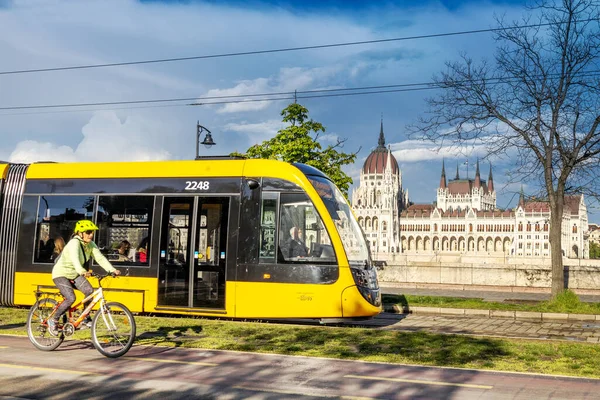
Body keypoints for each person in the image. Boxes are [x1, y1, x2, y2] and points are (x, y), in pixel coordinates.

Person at [48, 220, 120, 335]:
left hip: (74, 274)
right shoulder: (74, 243)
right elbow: (75, 259)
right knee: (71, 298)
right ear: (80, 233)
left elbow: (100, 258)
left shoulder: (90, 244)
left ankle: (85, 318)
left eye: (92, 232)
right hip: (61, 274)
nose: (91, 235)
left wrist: (112, 270)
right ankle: (54, 319)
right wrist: (82, 271)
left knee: (89, 291)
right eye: (88, 232)